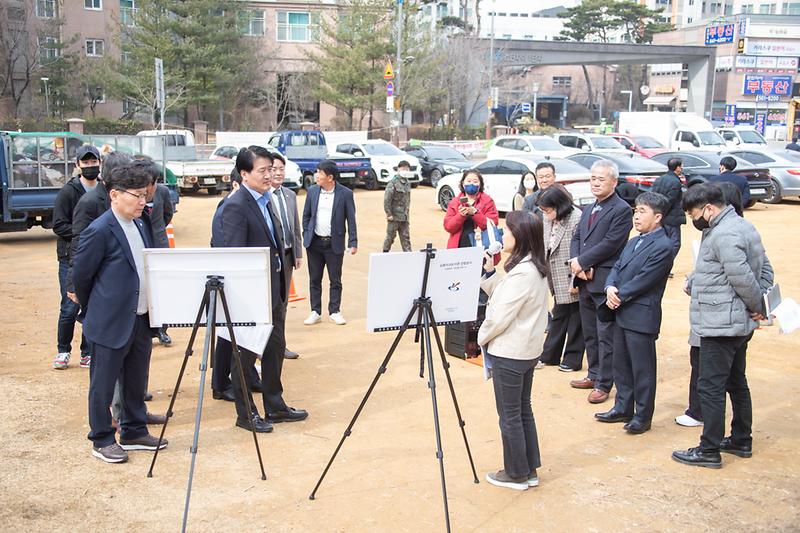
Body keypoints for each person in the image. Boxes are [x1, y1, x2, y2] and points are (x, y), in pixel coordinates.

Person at [72, 164, 168, 463]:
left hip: (139, 316)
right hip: (109, 320)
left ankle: (134, 430)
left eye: (145, 195)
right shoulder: (100, 230)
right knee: (103, 384)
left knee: (136, 379)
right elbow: (81, 278)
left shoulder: (140, 224)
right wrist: (100, 308)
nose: (143, 201)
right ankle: (101, 438)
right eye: (138, 195)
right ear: (115, 194)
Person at [672, 183, 772, 468]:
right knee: (736, 382)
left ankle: (709, 449)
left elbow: (741, 277)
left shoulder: (723, 233)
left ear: (708, 208)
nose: (694, 220)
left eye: (694, 214)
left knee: (711, 387)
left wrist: (757, 307)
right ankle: (741, 439)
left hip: (721, 324)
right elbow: (761, 269)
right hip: (735, 323)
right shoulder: (742, 226)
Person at [222, 146, 308, 432]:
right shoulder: (236, 206)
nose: (269, 175)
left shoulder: (267, 199)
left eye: (271, 169)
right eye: (263, 170)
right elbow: (235, 257)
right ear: (244, 174)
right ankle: (246, 414)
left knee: (275, 349)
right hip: (251, 297)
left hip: (276, 290)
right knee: (245, 356)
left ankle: (275, 405)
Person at [478, 210, 549, 491]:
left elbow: (500, 316)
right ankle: (528, 469)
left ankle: (515, 473)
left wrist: (481, 337)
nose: (502, 235)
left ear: (518, 235)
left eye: (506, 231)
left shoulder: (524, 272)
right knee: (522, 411)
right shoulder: (530, 267)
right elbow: (506, 297)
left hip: (511, 352)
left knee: (509, 414)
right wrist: (489, 273)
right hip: (525, 351)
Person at [595, 192, 674, 434]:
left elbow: (645, 279)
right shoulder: (633, 241)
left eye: (642, 212)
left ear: (658, 217)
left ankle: (642, 415)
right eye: (636, 211)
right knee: (621, 364)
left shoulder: (663, 246)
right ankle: (622, 407)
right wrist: (609, 286)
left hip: (640, 314)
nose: (636, 216)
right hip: (621, 310)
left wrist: (619, 294)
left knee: (642, 368)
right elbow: (617, 268)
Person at [569, 159, 633, 404]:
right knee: (590, 333)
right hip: (584, 278)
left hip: (604, 279)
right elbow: (577, 237)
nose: (595, 183)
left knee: (606, 334)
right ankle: (593, 374)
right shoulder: (588, 208)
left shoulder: (621, 209)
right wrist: (577, 262)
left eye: (601, 179)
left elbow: (612, 243)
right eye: (592, 178)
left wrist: (582, 262)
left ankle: (605, 383)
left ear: (614, 182)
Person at [51, 144, 101, 370]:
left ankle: (87, 352)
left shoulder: (104, 190)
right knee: (70, 305)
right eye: (86, 163)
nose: (90, 166)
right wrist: (85, 233)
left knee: (92, 306)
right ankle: (63, 350)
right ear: (77, 165)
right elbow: (58, 225)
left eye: (94, 162)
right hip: (70, 257)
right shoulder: (69, 191)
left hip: (97, 257)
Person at [302, 159, 358, 326]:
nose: (316, 175)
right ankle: (315, 311)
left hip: (334, 243)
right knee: (314, 279)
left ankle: (334, 311)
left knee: (335, 279)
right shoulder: (312, 191)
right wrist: (307, 232)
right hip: (314, 243)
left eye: (320, 173)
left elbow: (351, 219)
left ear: (330, 177)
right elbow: (306, 215)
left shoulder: (345, 194)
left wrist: (353, 241)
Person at [536, 185, 584, 372]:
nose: (545, 213)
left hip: (572, 273)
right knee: (560, 314)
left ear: (559, 206)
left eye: (547, 209)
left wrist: (576, 280)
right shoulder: (547, 218)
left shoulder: (576, 218)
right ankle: (550, 355)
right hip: (555, 274)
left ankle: (572, 359)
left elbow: (580, 251)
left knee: (576, 318)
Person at [269, 153, 302, 359]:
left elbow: (295, 228)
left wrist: (298, 253)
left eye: (282, 168)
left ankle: (280, 346)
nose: (279, 172)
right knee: (269, 304)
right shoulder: (264, 197)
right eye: (274, 169)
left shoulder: (290, 195)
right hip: (272, 259)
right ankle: (266, 348)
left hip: (288, 257)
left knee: (283, 304)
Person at [443, 169, 499, 250]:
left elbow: (493, 224)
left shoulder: (487, 201)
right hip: (458, 246)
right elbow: (449, 227)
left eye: (475, 181)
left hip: (481, 245)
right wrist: (460, 215)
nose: (471, 184)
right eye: (468, 181)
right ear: (463, 183)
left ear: (480, 184)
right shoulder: (455, 202)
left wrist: (475, 213)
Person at [650, 157, 685, 258]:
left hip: (659, 215)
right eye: (681, 166)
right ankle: (665, 265)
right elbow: (670, 200)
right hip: (671, 217)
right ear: (677, 168)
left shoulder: (659, 179)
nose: (682, 168)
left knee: (660, 242)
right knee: (675, 243)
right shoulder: (675, 182)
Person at [383, 160, 412, 252]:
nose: (405, 170)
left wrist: (407, 213)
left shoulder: (407, 183)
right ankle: (385, 252)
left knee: (406, 237)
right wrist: (389, 214)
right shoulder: (393, 183)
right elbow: (387, 200)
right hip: (394, 216)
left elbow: (407, 199)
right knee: (390, 236)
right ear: (399, 169)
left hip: (404, 216)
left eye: (407, 169)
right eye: (403, 168)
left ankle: (409, 255)